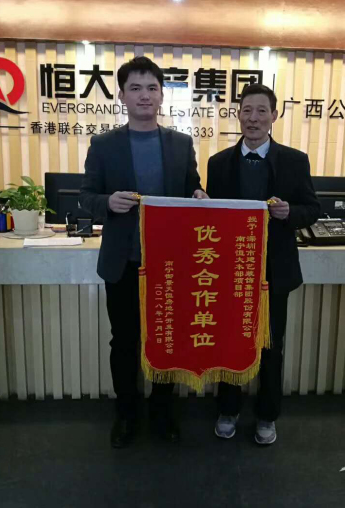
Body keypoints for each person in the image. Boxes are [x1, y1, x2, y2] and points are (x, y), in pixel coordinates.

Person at [79, 56, 207, 449]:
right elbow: (86, 197)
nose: (144, 95)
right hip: (124, 261)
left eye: (152, 88)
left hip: (170, 263)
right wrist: (106, 202)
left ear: (162, 95)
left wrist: (198, 195)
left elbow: (191, 186)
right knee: (124, 341)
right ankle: (126, 413)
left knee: (168, 340)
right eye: (135, 88)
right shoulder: (104, 145)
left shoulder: (181, 143)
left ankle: (163, 412)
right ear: (122, 96)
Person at [206, 83, 320, 445]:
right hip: (230, 270)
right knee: (229, 343)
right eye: (247, 110)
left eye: (261, 111)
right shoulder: (218, 163)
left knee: (271, 347)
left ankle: (267, 416)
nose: (253, 118)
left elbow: (312, 210)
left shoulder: (295, 160)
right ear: (238, 114)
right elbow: (214, 217)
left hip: (275, 271)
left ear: (274, 115)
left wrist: (289, 213)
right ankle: (228, 409)